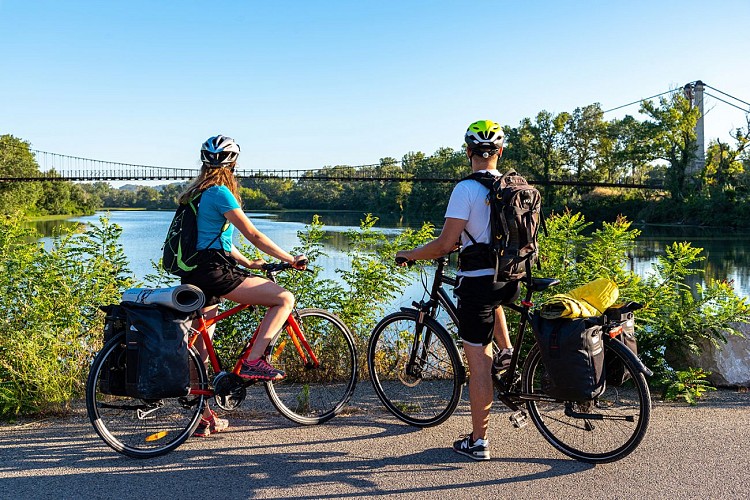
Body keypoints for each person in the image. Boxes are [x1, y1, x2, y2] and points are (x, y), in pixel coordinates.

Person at [396, 120, 520, 461]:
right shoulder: (512, 186)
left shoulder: (466, 190)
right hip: (509, 279)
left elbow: (444, 245)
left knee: (478, 362)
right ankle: (507, 350)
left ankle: (478, 441)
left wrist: (409, 254)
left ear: (468, 152)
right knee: (492, 311)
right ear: (500, 152)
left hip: (478, 281)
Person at [180, 134, 308, 437]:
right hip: (214, 273)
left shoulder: (194, 193)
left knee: (199, 345)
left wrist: (249, 264)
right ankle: (252, 361)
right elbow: (253, 234)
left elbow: (216, 239)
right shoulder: (220, 192)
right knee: (283, 298)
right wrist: (290, 258)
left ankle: (203, 418)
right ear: (233, 164)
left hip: (195, 272)